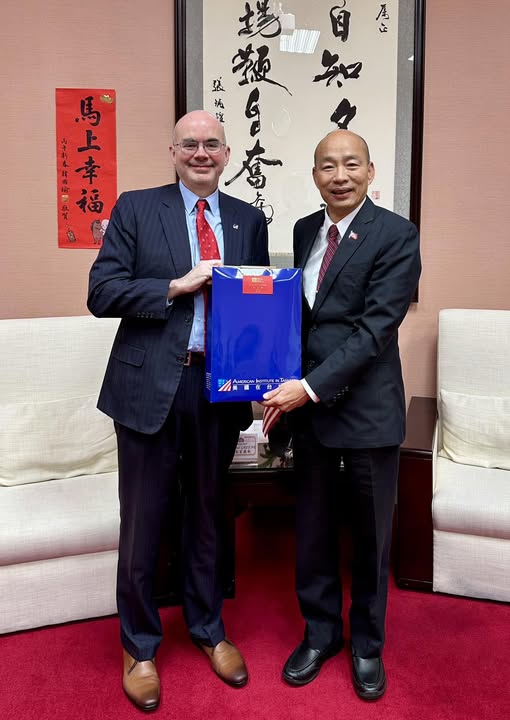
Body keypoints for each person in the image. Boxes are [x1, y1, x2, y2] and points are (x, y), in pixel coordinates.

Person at [88, 110, 269, 711]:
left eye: (212, 144)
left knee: (210, 516)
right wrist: (176, 285)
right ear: (172, 152)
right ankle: (139, 646)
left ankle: (209, 628)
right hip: (148, 386)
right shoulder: (137, 208)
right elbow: (101, 291)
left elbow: (255, 309)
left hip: (218, 388)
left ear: (227, 154)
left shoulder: (248, 219)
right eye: (189, 144)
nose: (201, 153)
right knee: (144, 521)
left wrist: (264, 376)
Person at [262, 129, 421, 701]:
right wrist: (271, 383)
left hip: (367, 412)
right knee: (312, 530)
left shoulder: (397, 234)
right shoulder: (305, 229)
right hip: (311, 416)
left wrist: (305, 388)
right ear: (314, 176)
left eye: (351, 164)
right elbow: (299, 319)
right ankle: (322, 632)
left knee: (372, 537)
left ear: (371, 172)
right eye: (327, 166)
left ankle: (368, 645)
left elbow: (375, 330)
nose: (340, 176)